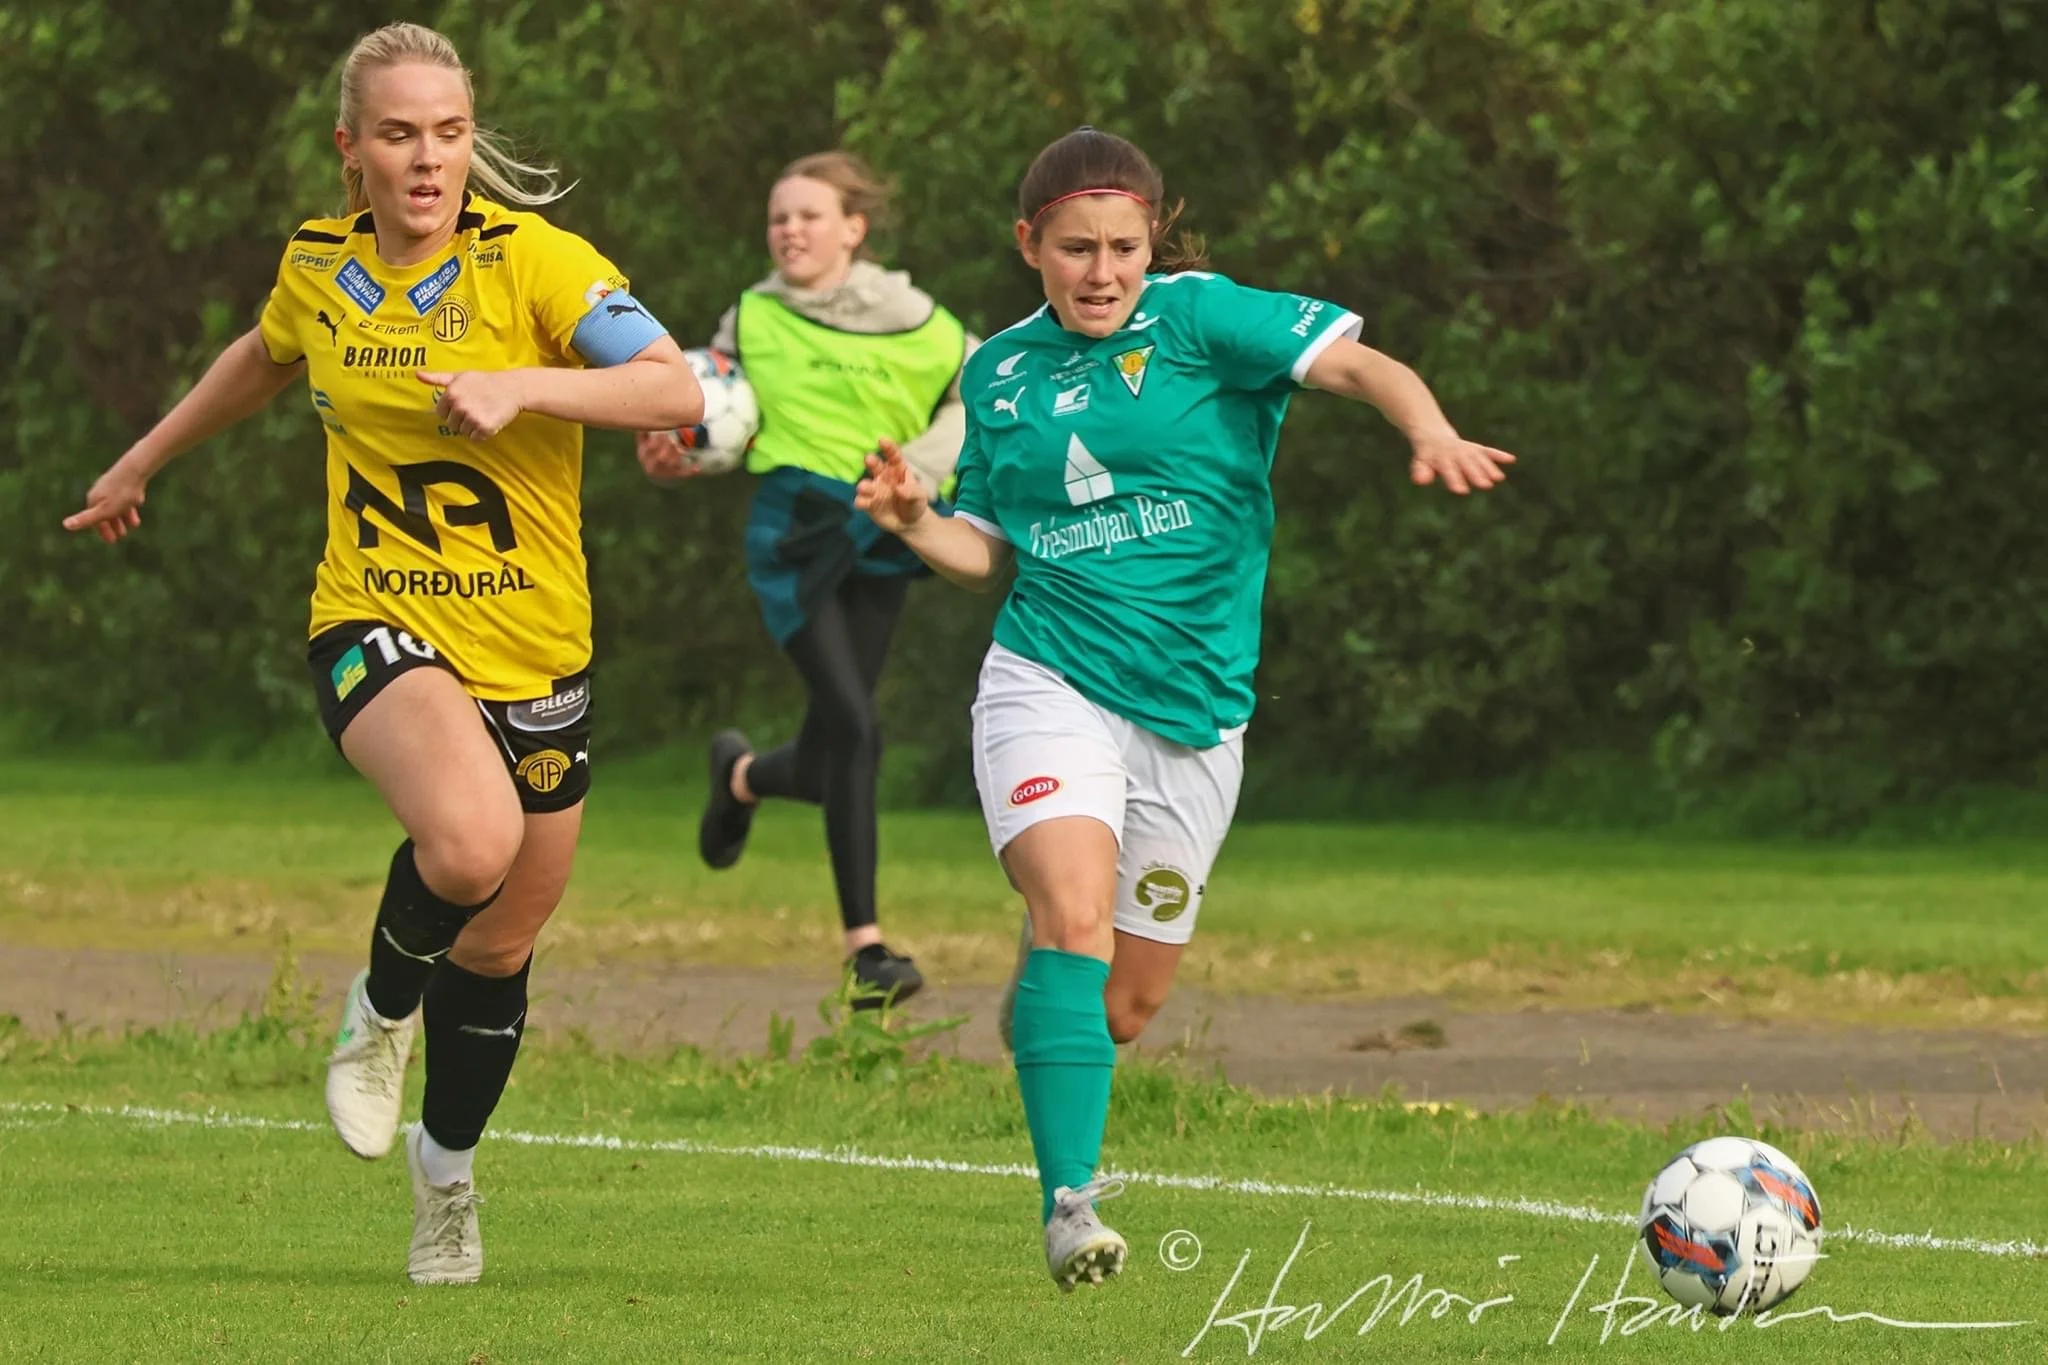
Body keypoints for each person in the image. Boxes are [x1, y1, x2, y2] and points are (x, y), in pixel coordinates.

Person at [61, 22, 700, 1286]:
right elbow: (263, 354)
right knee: (469, 843)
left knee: (503, 942)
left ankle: (445, 1177)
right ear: (350, 151)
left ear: (472, 141)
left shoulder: (536, 264)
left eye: (450, 134)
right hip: (374, 614)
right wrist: (144, 458)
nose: (428, 161)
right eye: (399, 136)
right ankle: (377, 1009)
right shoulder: (322, 265)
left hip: (536, 644)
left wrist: (526, 384)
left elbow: (676, 390)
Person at [855, 126, 1513, 1291]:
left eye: (1121, 247)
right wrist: (912, 516)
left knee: (1121, 1007)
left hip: (1195, 715)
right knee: (1072, 912)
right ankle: (1070, 1207)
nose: (1101, 272)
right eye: (1074, 250)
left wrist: (1427, 427)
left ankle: (1053, 975)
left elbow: (1363, 366)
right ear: (1029, 246)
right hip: (1046, 677)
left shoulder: (1208, 319)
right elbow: (988, 551)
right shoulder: (996, 373)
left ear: (1150, 239)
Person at [637, 151, 974, 1006]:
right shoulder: (750, 316)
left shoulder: (926, 324)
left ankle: (741, 777)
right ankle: (867, 948)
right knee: (858, 729)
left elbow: (982, 401)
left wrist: (920, 476)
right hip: (795, 531)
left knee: (834, 752)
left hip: (888, 531)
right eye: (778, 217)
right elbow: (703, 406)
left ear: (854, 229)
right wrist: (675, 450)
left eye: (809, 215)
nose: (789, 229)